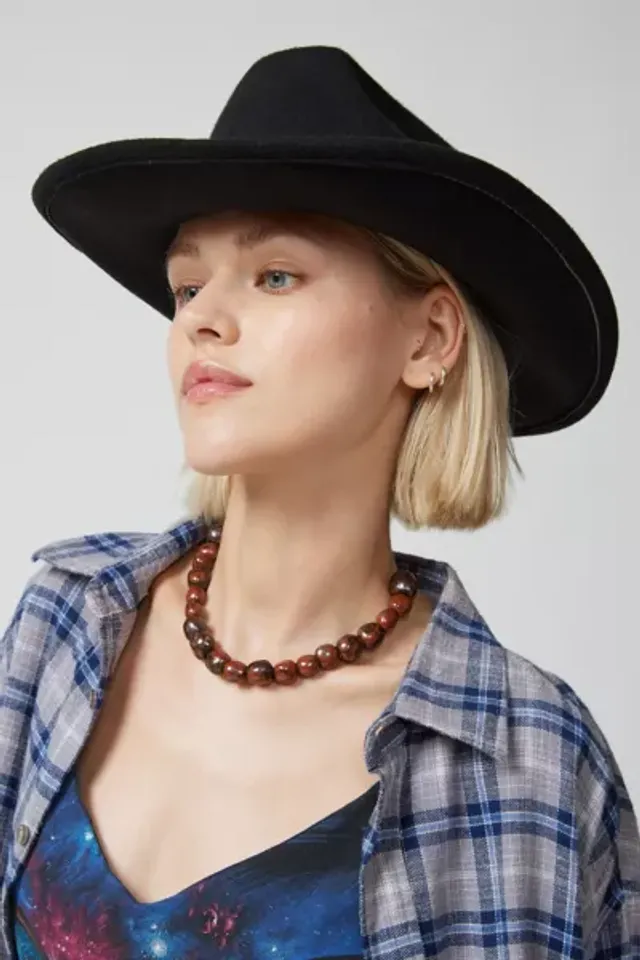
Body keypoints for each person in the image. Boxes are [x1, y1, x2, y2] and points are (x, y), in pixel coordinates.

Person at [1, 44, 638, 960]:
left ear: (430, 338)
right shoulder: (65, 622)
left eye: (275, 275)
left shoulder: (528, 761)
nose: (200, 318)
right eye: (188, 285)